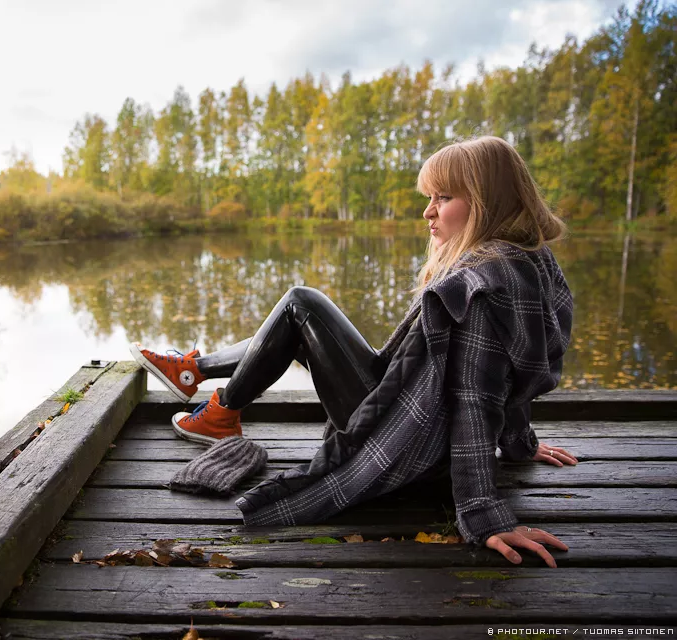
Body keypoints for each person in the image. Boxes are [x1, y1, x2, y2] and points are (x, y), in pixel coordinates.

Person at [129, 136, 577, 567]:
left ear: (485, 201)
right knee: (303, 319)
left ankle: (214, 401)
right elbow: (513, 373)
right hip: (425, 431)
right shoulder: (527, 262)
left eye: (443, 197)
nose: (428, 211)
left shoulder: (479, 286)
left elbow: (475, 400)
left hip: (409, 444)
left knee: (301, 304)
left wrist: (483, 515)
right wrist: (519, 442)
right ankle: (202, 381)